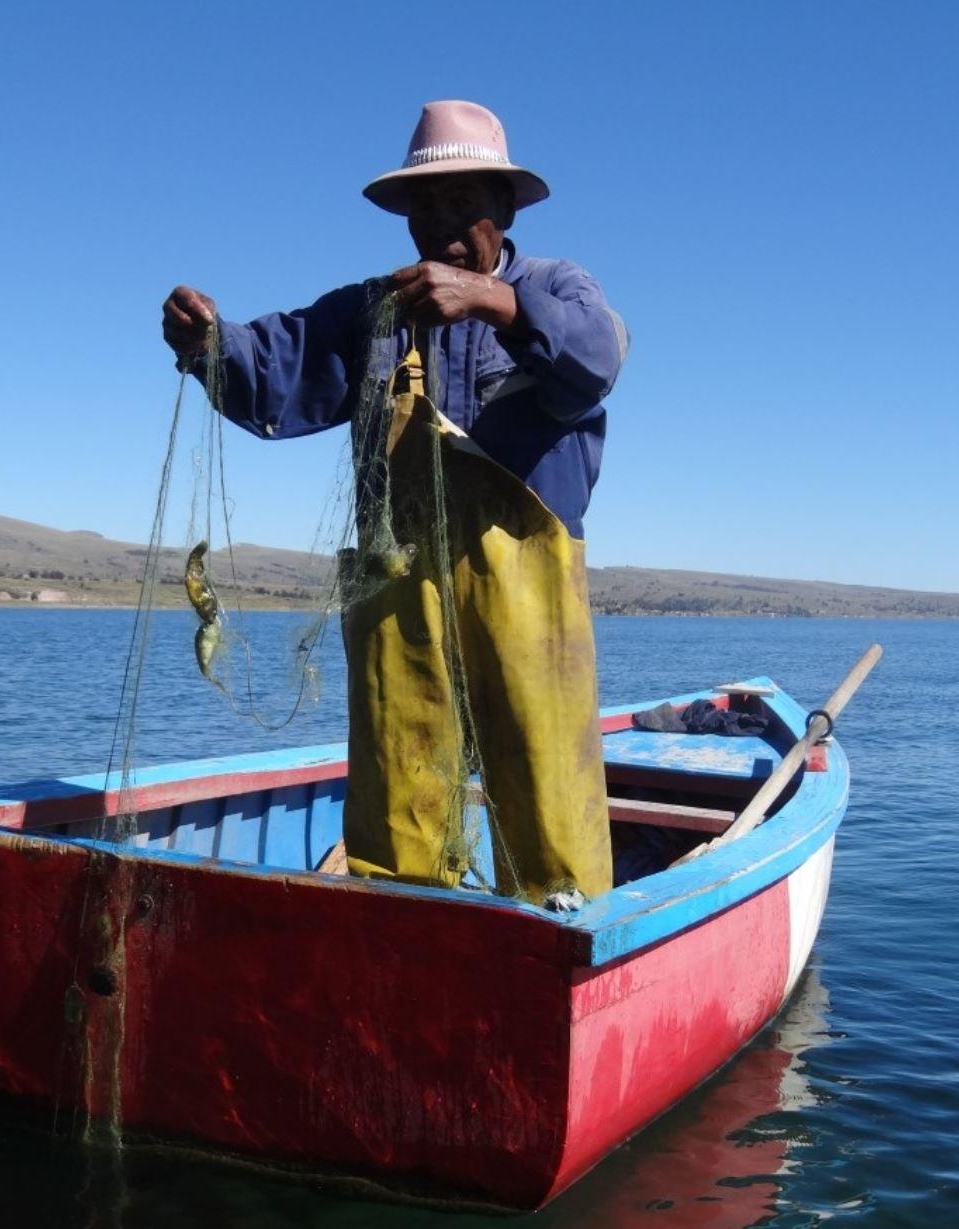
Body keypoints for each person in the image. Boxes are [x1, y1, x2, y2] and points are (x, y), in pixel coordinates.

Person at [162, 100, 626, 909]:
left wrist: (490, 303)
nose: (443, 225)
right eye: (426, 206)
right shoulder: (373, 311)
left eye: (464, 203)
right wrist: (206, 343)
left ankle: (564, 939)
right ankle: (404, 924)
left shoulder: (556, 287)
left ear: (504, 209)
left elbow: (596, 358)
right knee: (399, 786)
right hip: (393, 584)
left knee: (547, 786)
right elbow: (273, 368)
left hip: (526, 601)